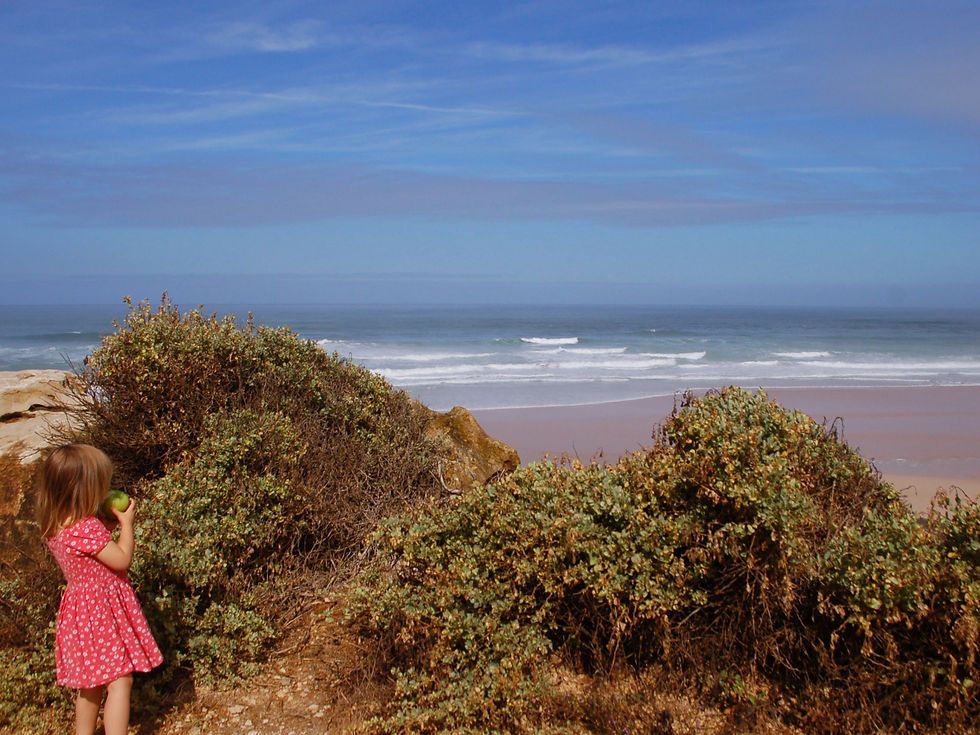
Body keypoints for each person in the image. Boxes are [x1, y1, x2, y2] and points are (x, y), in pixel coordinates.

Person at [36, 443, 163, 735]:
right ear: (83, 489)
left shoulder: (56, 523)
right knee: (120, 681)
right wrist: (127, 525)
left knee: (89, 685)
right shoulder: (86, 528)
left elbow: (88, 554)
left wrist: (104, 526)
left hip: (78, 611)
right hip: (101, 611)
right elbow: (122, 560)